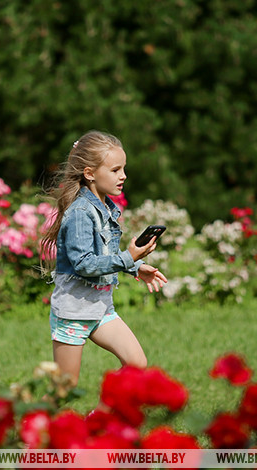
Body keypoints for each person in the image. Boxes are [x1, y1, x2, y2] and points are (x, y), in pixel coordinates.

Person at [40, 130, 167, 387]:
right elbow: (85, 264)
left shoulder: (106, 208)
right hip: (74, 312)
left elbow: (105, 255)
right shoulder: (80, 213)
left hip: (100, 309)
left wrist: (135, 266)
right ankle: (30, 425)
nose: (124, 176)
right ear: (90, 173)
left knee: (137, 365)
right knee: (64, 389)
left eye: (124, 169)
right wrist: (128, 258)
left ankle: (99, 421)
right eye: (115, 170)